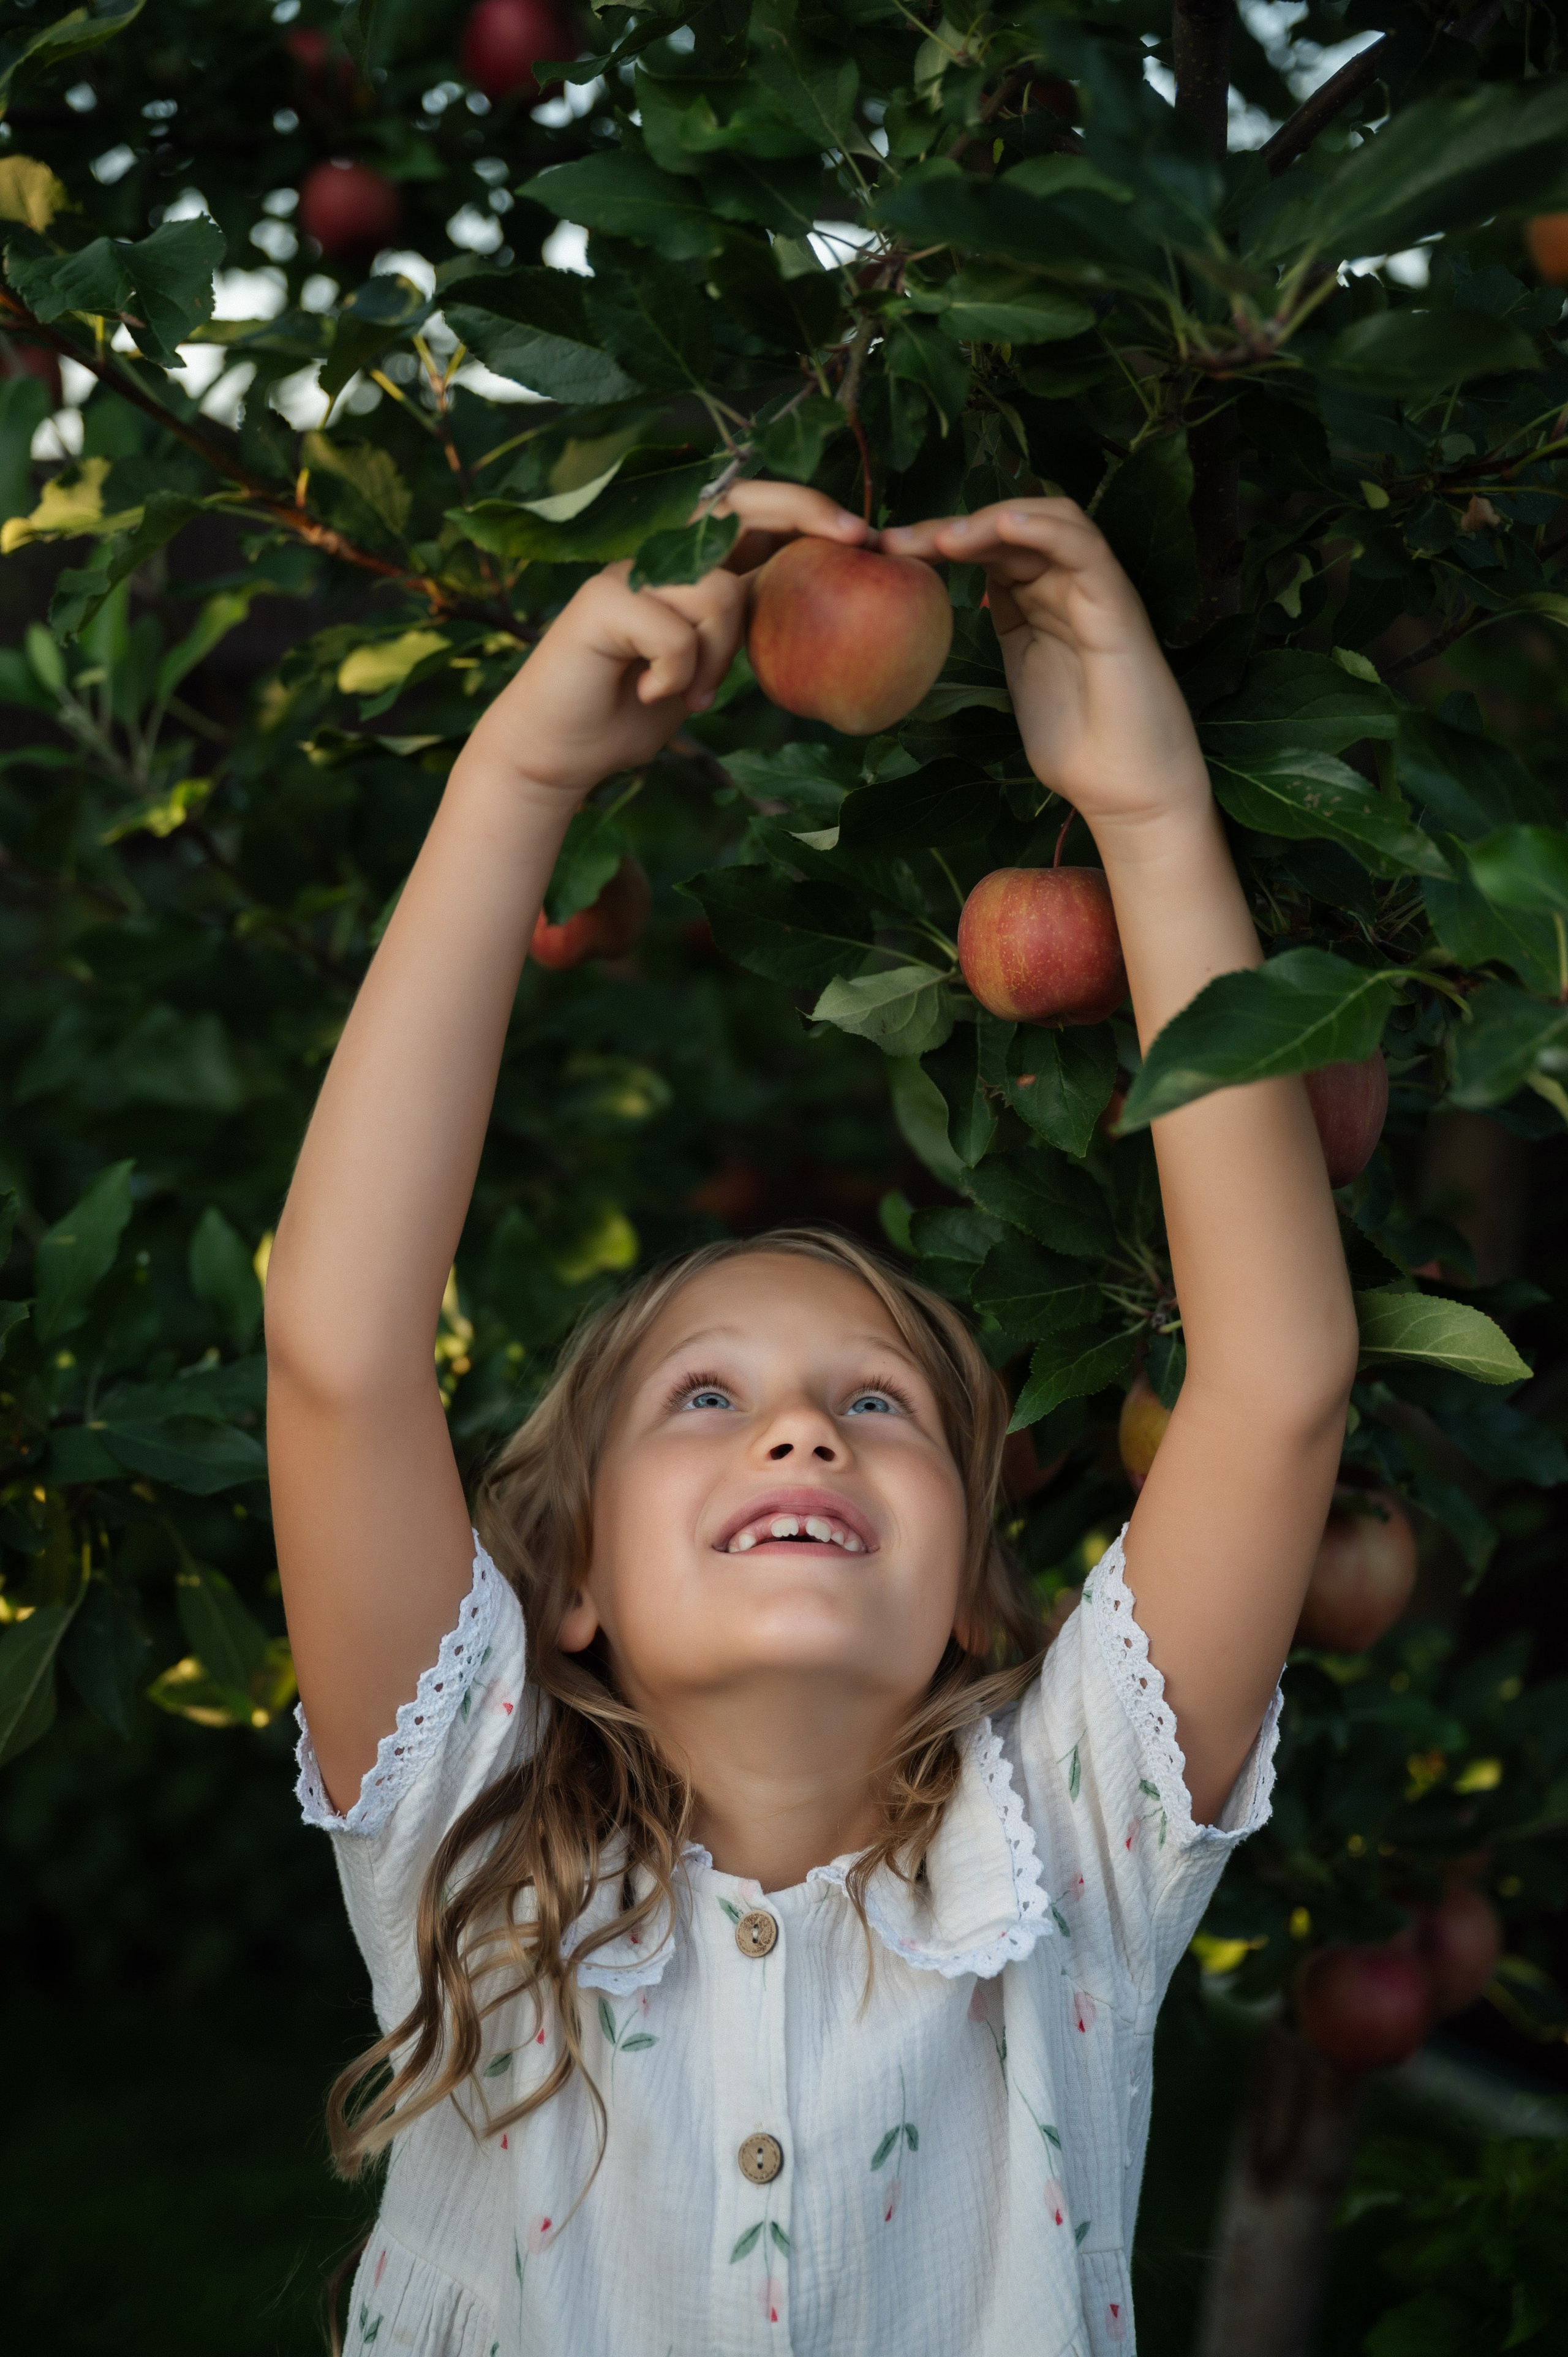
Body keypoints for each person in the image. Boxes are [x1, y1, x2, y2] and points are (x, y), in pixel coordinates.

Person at [266, 481, 1359, 2357]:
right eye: (708, 1397)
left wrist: (1150, 809)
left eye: (877, 1404)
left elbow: (1269, 1385)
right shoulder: (477, 1840)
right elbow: (338, 1353)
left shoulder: (1062, 1859)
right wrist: (521, 778)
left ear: (973, 1593)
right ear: (570, 1579)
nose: (803, 1435)